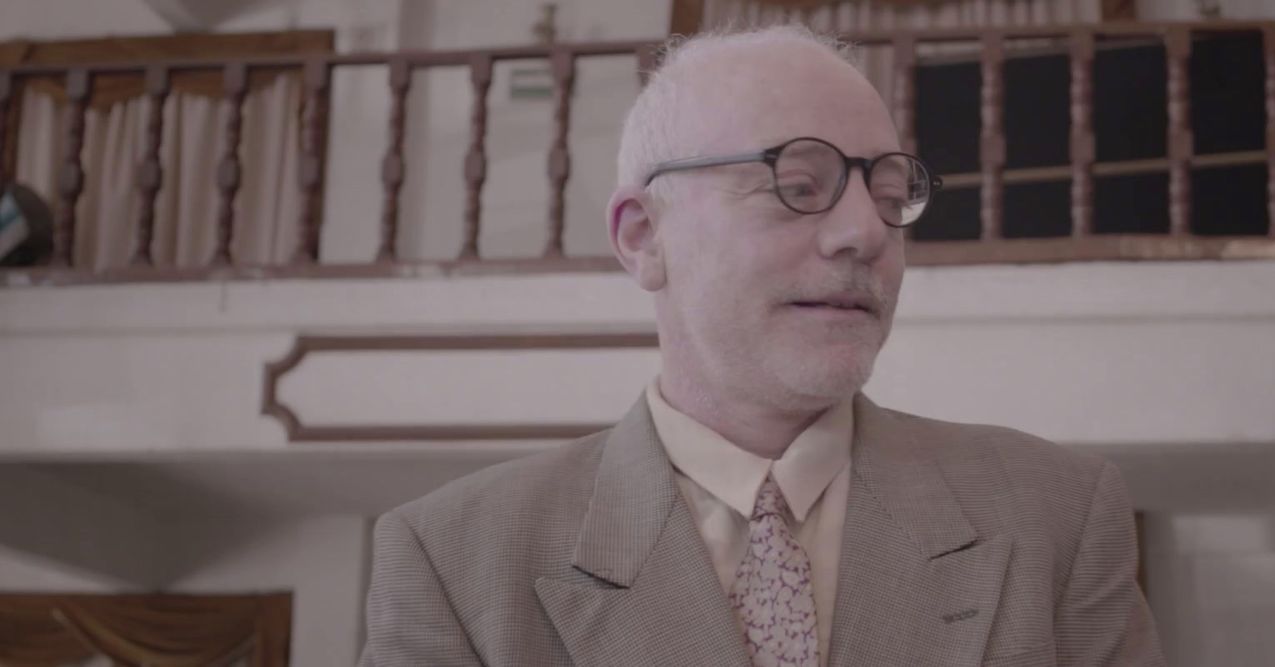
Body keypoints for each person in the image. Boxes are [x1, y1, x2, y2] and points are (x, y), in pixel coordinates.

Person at [360, 24, 1165, 667]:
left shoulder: (1057, 515)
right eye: (798, 185)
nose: (863, 235)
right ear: (644, 236)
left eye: (889, 198)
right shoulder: (455, 562)